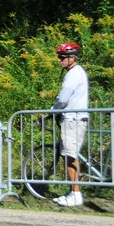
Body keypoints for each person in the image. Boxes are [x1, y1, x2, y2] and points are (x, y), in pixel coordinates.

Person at [50, 42, 89, 207]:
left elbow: (63, 98)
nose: (59, 60)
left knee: (69, 157)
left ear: (71, 58)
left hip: (73, 119)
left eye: (62, 57)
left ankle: (76, 195)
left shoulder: (73, 74)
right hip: (75, 118)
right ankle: (73, 192)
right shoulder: (77, 72)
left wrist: (52, 111)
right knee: (70, 155)